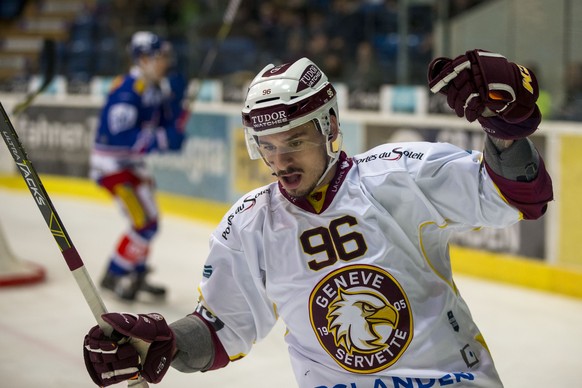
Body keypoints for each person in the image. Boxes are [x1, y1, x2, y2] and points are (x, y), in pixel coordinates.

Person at [83, 51, 553, 387]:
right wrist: (159, 343)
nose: (279, 159)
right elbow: (220, 330)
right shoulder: (250, 226)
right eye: (267, 145)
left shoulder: (400, 175)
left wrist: (505, 135)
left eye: (294, 141)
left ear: (330, 127)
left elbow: (515, 197)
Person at [89, 31, 186, 301]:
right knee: (143, 224)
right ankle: (115, 274)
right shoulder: (127, 90)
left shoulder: (155, 88)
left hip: (133, 166)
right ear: (142, 58)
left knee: (151, 219)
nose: (165, 62)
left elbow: (166, 125)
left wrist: (176, 106)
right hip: (112, 169)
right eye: (159, 57)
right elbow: (115, 139)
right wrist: (161, 139)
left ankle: (136, 271)